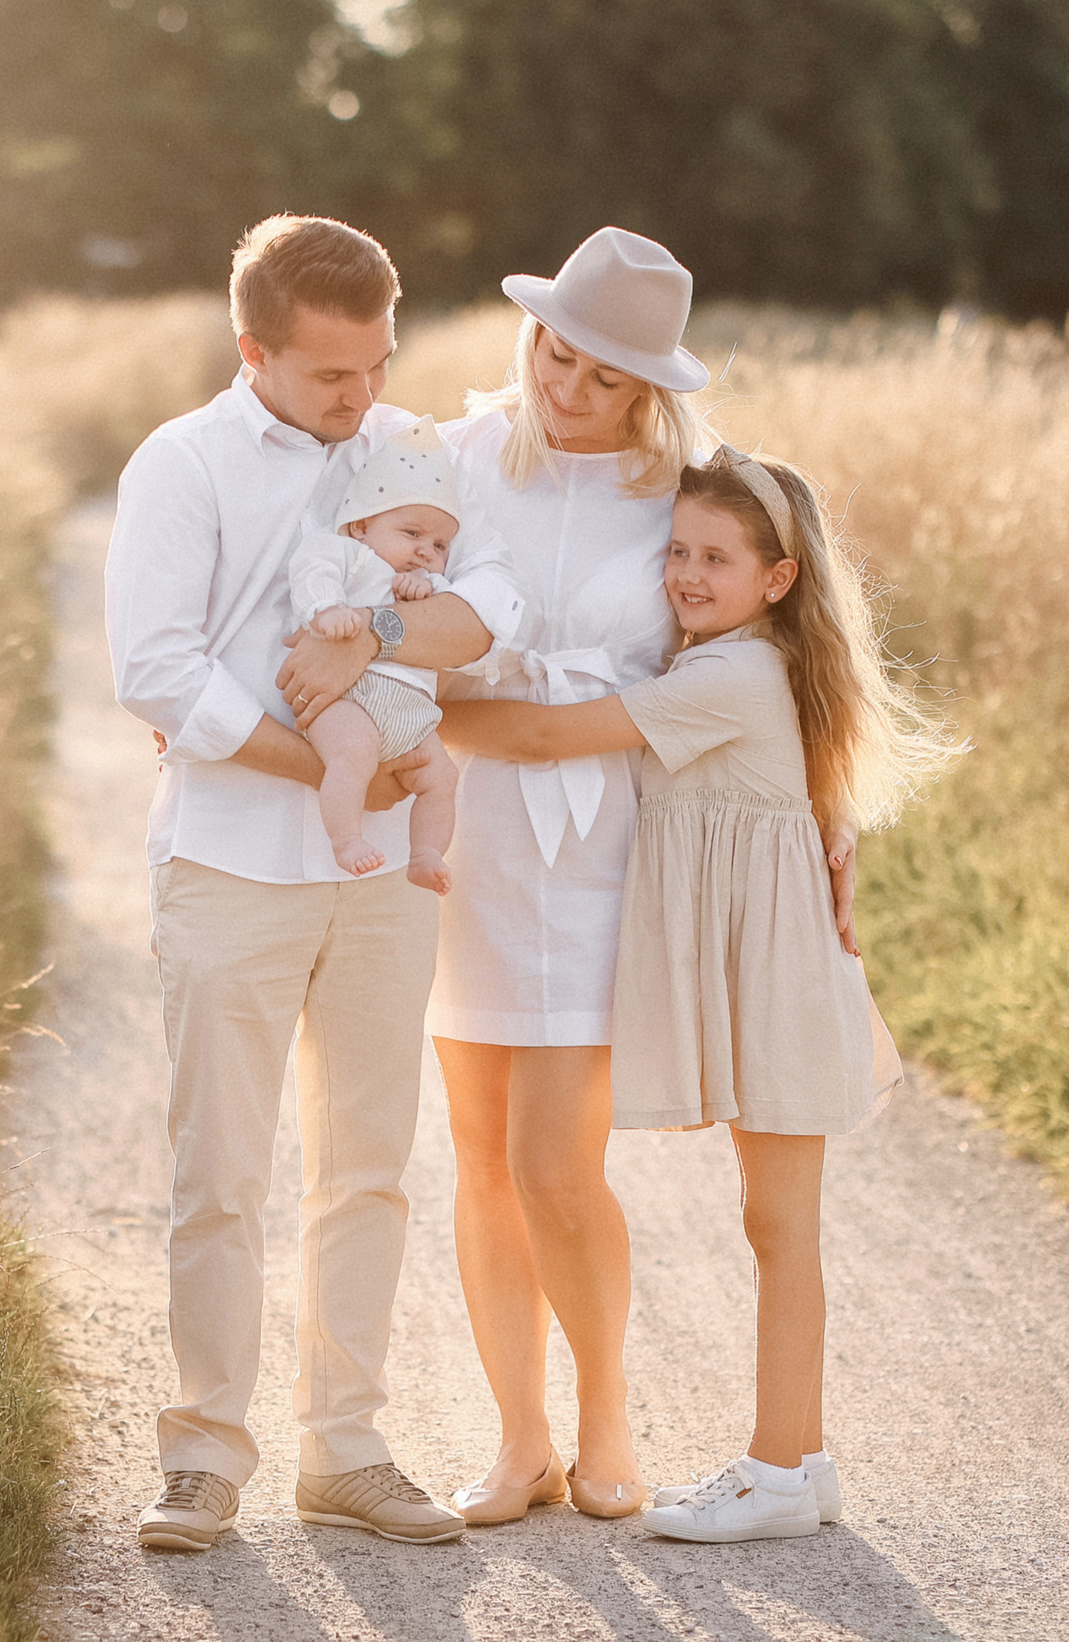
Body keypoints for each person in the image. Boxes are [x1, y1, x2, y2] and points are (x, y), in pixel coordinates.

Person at [439, 446, 955, 1544]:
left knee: (778, 1224)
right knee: (777, 1222)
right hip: (760, 964)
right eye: (674, 550)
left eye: (714, 557)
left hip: (771, 973)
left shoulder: (726, 675)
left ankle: (779, 1468)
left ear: (777, 579)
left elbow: (537, 735)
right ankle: (798, 1465)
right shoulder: (738, 656)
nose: (683, 573)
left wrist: (409, 704)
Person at [104, 215, 523, 1551]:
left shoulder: (418, 450)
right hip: (230, 860)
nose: (362, 399)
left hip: (387, 876)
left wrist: (380, 639)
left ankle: (345, 1448)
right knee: (218, 1170)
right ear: (256, 350)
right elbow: (156, 669)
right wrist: (323, 760)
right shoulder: (182, 462)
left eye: (378, 363)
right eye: (334, 373)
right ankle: (203, 1453)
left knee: (368, 1167)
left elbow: (497, 610)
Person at [424, 226, 730, 1524]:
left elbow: (737, 674)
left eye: (604, 375)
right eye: (559, 350)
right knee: (480, 1156)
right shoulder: (452, 458)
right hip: (465, 834)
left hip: (606, 841)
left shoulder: (693, 498)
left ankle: (607, 1419)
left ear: (648, 388)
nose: (568, 385)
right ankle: (517, 1440)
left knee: (558, 1161)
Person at [288, 417, 465, 891]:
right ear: (363, 525)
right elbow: (312, 567)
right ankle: (346, 839)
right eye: (411, 533)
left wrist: (426, 590)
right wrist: (326, 610)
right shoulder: (348, 555)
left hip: (413, 716)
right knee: (353, 756)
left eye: (439, 544)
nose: (426, 551)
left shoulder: (434, 586)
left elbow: (456, 620)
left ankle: (426, 853)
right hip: (351, 702)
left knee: (442, 775)